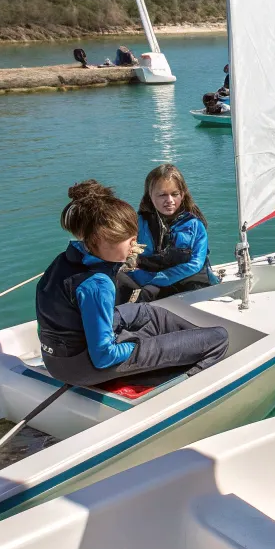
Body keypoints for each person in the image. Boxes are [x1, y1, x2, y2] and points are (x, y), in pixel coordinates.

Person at [35, 180, 229, 387]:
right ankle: (179, 380)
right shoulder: (97, 283)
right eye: (130, 240)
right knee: (219, 337)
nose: (135, 245)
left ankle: (188, 345)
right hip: (83, 367)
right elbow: (104, 356)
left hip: (57, 360)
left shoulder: (63, 261)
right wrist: (139, 344)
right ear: (101, 240)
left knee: (148, 312)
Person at [128, 164, 218, 300]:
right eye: (162, 195)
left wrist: (154, 278)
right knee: (143, 292)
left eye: (174, 194)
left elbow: (195, 264)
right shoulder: (139, 223)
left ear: (182, 194)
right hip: (155, 280)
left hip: (191, 280)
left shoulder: (195, 225)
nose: (169, 200)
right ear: (150, 196)